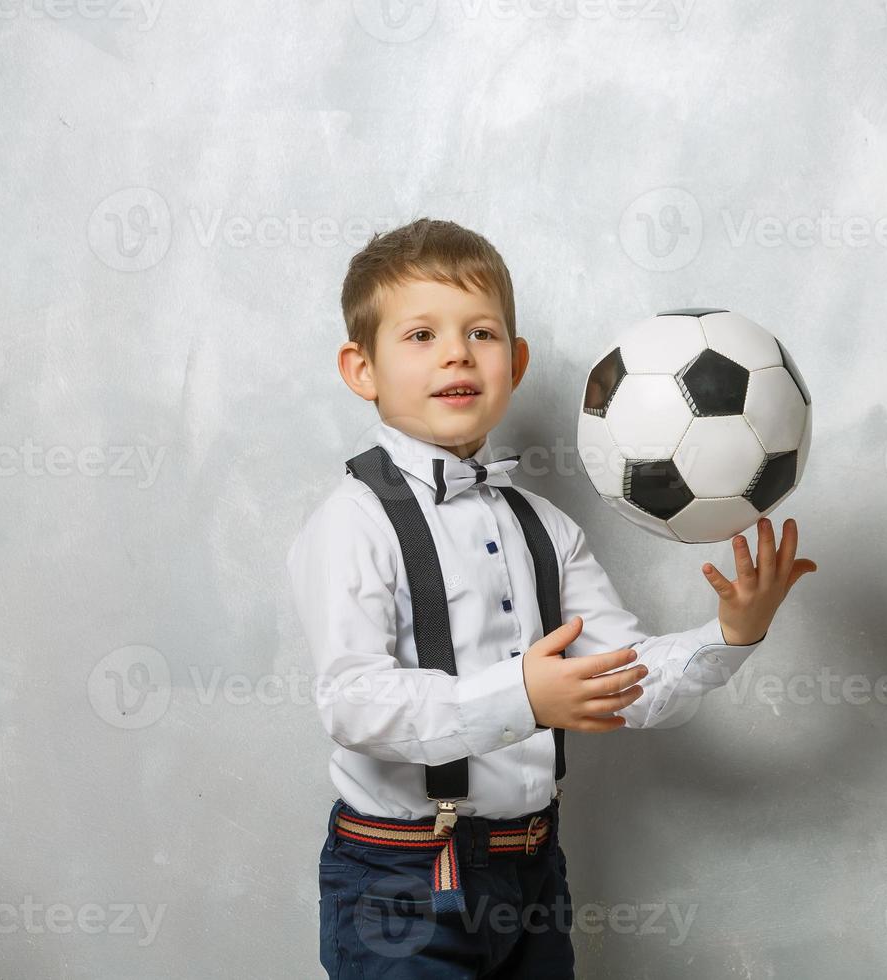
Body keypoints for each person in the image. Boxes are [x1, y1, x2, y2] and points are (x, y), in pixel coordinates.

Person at [286, 217, 817, 978]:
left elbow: (625, 683)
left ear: (517, 360)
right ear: (360, 368)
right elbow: (354, 704)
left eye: (482, 333)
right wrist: (521, 696)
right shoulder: (355, 521)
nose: (456, 353)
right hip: (400, 882)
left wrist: (729, 635)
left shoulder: (547, 529)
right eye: (420, 336)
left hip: (531, 869)